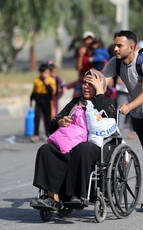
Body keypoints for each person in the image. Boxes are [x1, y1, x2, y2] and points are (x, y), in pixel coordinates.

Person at [103, 30, 143, 209]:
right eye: (114, 45)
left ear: (131, 48)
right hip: (137, 110)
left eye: (119, 46)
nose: (115, 48)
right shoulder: (114, 63)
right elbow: (103, 83)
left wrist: (129, 107)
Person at [32, 69, 115, 209]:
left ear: (99, 86)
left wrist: (100, 92)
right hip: (68, 144)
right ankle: (53, 197)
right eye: (84, 83)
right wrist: (60, 122)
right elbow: (52, 125)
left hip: (91, 147)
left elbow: (108, 119)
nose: (85, 86)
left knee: (83, 148)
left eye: (91, 84)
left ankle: (76, 195)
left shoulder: (106, 102)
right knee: (46, 149)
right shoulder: (75, 103)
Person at [29, 63, 56, 142]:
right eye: (45, 73)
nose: (46, 75)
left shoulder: (51, 80)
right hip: (38, 101)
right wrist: (31, 99)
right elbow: (34, 91)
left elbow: (52, 92)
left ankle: (48, 135)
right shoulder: (36, 81)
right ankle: (35, 135)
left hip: (47, 101)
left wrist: (47, 84)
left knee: (48, 119)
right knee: (37, 118)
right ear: (40, 73)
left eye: (47, 73)